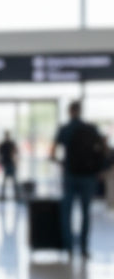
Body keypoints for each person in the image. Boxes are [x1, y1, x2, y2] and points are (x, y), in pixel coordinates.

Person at [50, 101, 107, 259]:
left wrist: (61, 163)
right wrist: (98, 168)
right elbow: (103, 149)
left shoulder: (65, 129)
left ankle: (68, 247)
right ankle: (83, 248)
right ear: (80, 111)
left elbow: (52, 153)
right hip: (88, 176)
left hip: (70, 175)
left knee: (67, 212)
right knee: (85, 212)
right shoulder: (91, 128)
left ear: (69, 111)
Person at [0, 131, 18, 202]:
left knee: (11, 181)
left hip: (8, 163)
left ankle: (6, 196)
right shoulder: (8, 144)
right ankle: (14, 196)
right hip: (8, 163)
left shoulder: (5, 144)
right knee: (11, 181)